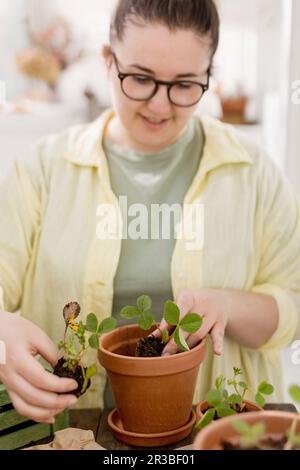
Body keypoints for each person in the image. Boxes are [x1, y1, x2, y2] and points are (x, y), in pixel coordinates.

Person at [1, 0, 300, 422]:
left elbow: (293, 303)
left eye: (184, 84)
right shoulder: (41, 170)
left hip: (216, 430)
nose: (160, 106)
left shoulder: (254, 174)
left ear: (209, 76)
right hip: (73, 432)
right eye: (139, 78)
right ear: (108, 62)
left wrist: (228, 306)